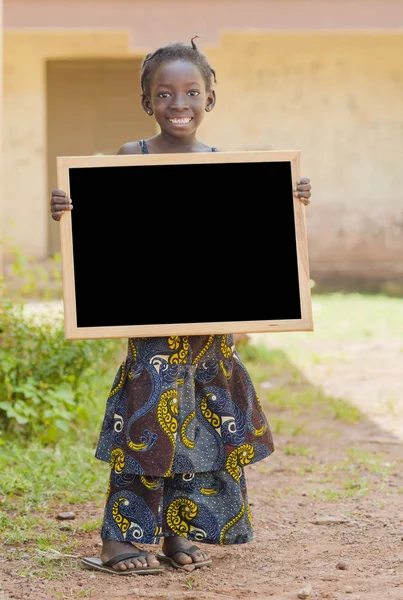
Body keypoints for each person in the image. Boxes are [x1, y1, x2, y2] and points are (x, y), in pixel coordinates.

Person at [50, 37, 312, 576]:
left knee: (201, 431)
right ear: (147, 102)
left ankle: (178, 533)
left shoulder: (226, 166)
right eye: (164, 94)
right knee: (149, 430)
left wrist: (287, 200)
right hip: (152, 332)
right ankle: (120, 543)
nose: (179, 103)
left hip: (213, 332)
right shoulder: (133, 157)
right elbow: (112, 235)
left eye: (192, 92)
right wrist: (71, 209)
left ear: (211, 99)